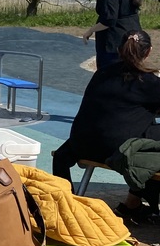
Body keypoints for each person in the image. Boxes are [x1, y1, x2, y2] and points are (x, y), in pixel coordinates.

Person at [54, 30, 160, 224]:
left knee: (145, 127)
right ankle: (137, 200)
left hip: (80, 144)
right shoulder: (150, 83)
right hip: (113, 151)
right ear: (148, 51)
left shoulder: (102, 73)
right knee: (151, 143)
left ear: (119, 50)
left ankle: (131, 202)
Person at [82, 0, 141, 71]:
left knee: (109, 75)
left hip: (114, 42)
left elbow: (108, 20)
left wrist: (90, 30)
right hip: (132, 35)